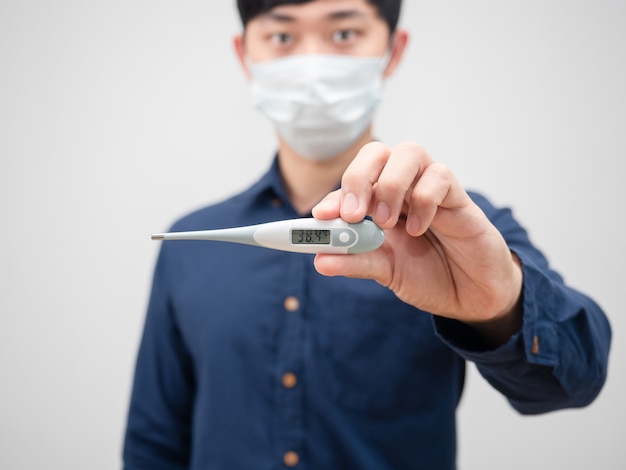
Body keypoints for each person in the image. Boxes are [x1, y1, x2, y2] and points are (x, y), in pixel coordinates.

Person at [123, 1, 612, 468]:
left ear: (393, 50)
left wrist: (502, 304)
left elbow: (577, 379)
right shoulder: (189, 247)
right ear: (244, 54)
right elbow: (153, 444)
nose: (311, 63)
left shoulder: (456, 229)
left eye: (343, 33)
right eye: (282, 35)